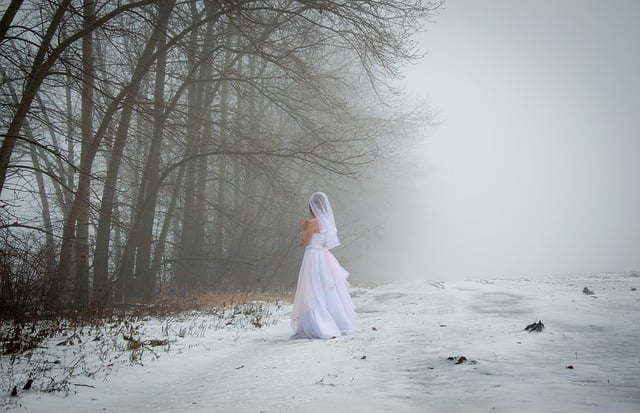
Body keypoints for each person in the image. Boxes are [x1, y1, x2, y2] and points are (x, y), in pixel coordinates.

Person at [291, 192, 356, 339]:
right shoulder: (327, 222)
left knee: (313, 288)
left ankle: (318, 322)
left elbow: (306, 241)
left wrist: (304, 229)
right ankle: (339, 321)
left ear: (312, 207)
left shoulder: (313, 222)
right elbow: (327, 242)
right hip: (325, 257)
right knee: (328, 289)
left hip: (313, 257)